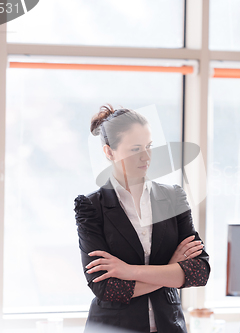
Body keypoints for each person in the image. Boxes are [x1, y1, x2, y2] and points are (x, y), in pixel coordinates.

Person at [74, 104, 210, 333]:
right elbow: (106, 288)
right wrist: (171, 270)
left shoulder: (173, 197)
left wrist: (129, 271)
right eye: (136, 149)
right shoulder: (91, 207)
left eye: (149, 146)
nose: (146, 157)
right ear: (109, 152)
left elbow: (199, 271)